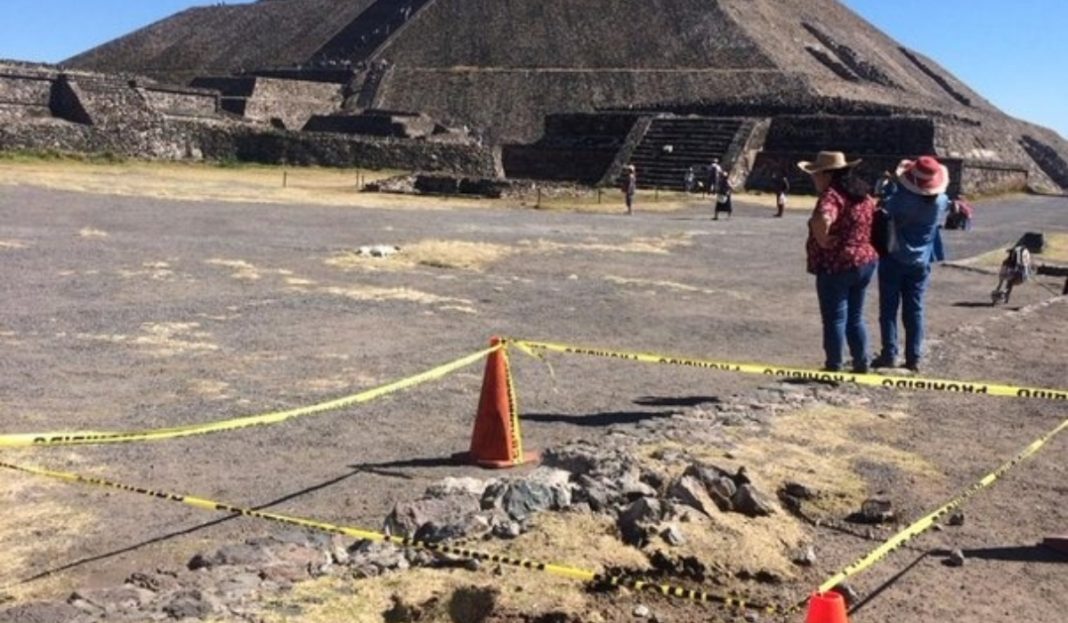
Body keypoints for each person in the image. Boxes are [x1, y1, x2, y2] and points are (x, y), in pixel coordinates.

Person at [799, 151, 879, 373]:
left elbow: (822, 217)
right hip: (864, 260)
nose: (813, 179)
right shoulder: (862, 195)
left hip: (837, 264)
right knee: (855, 316)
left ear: (827, 174)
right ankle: (862, 361)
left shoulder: (832, 196)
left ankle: (834, 365)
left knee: (835, 318)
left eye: (816, 174)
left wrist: (823, 240)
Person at [872, 156, 950, 372]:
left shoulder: (899, 200)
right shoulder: (941, 202)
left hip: (894, 257)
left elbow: (884, 208)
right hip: (921, 262)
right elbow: (947, 204)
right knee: (914, 309)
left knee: (888, 309)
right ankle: (913, 356)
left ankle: (889, 353)